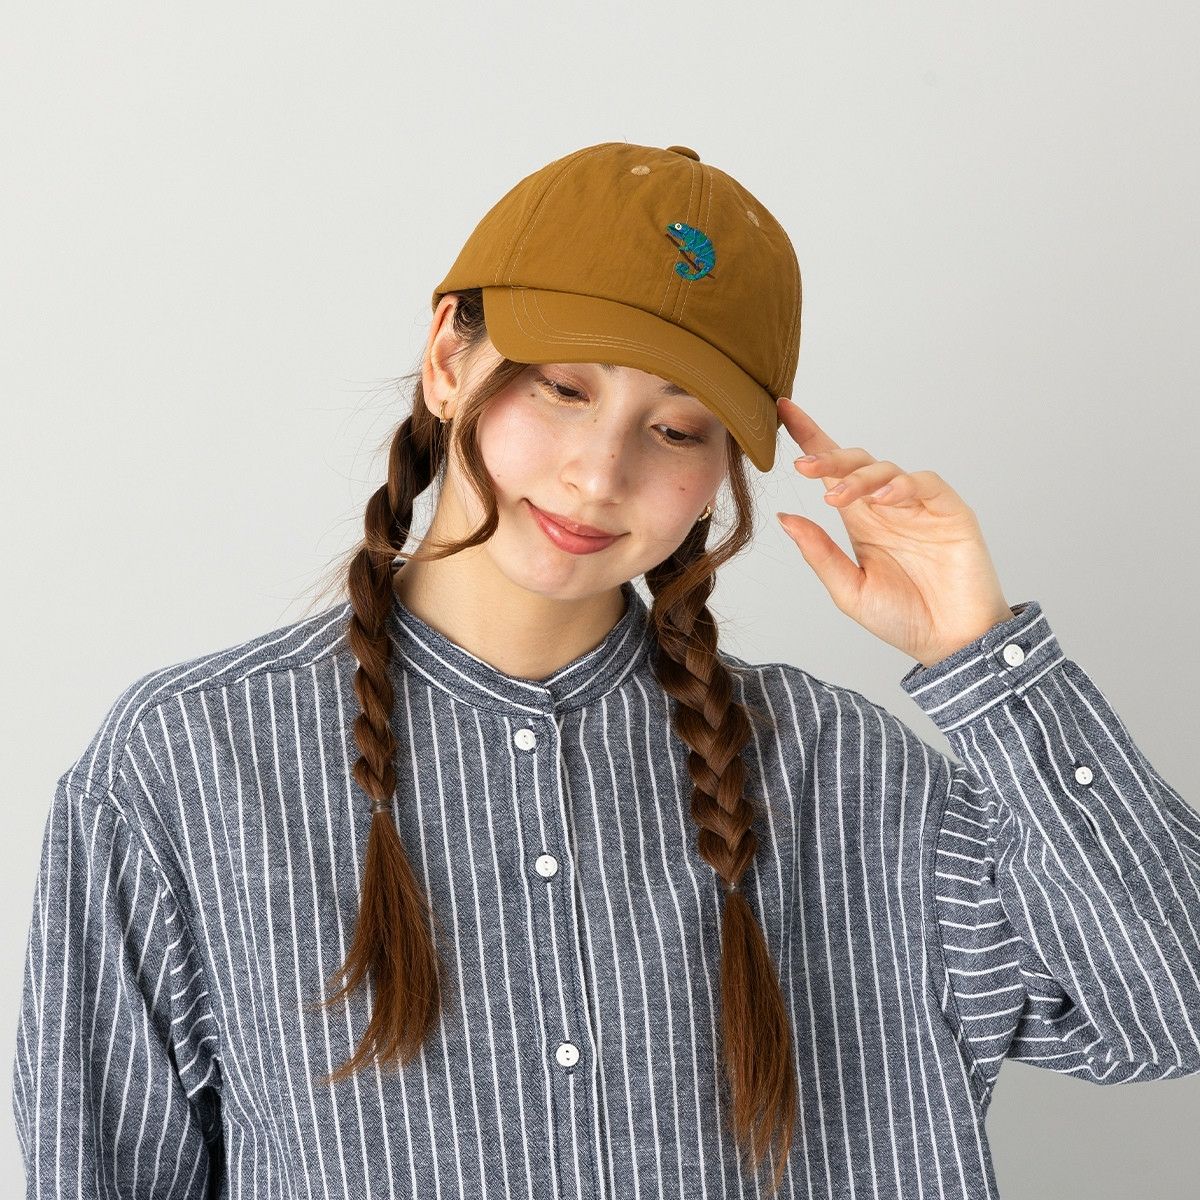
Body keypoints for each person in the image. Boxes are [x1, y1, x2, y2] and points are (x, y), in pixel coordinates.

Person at [11, 140, 1200, 1200]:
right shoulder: (189, 765)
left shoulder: (853, 778)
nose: (598, 473)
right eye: (564, 389)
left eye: (676, 429)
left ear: (723, 471)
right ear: (448, 358)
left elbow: (1166, 1011)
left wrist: (981, 654)